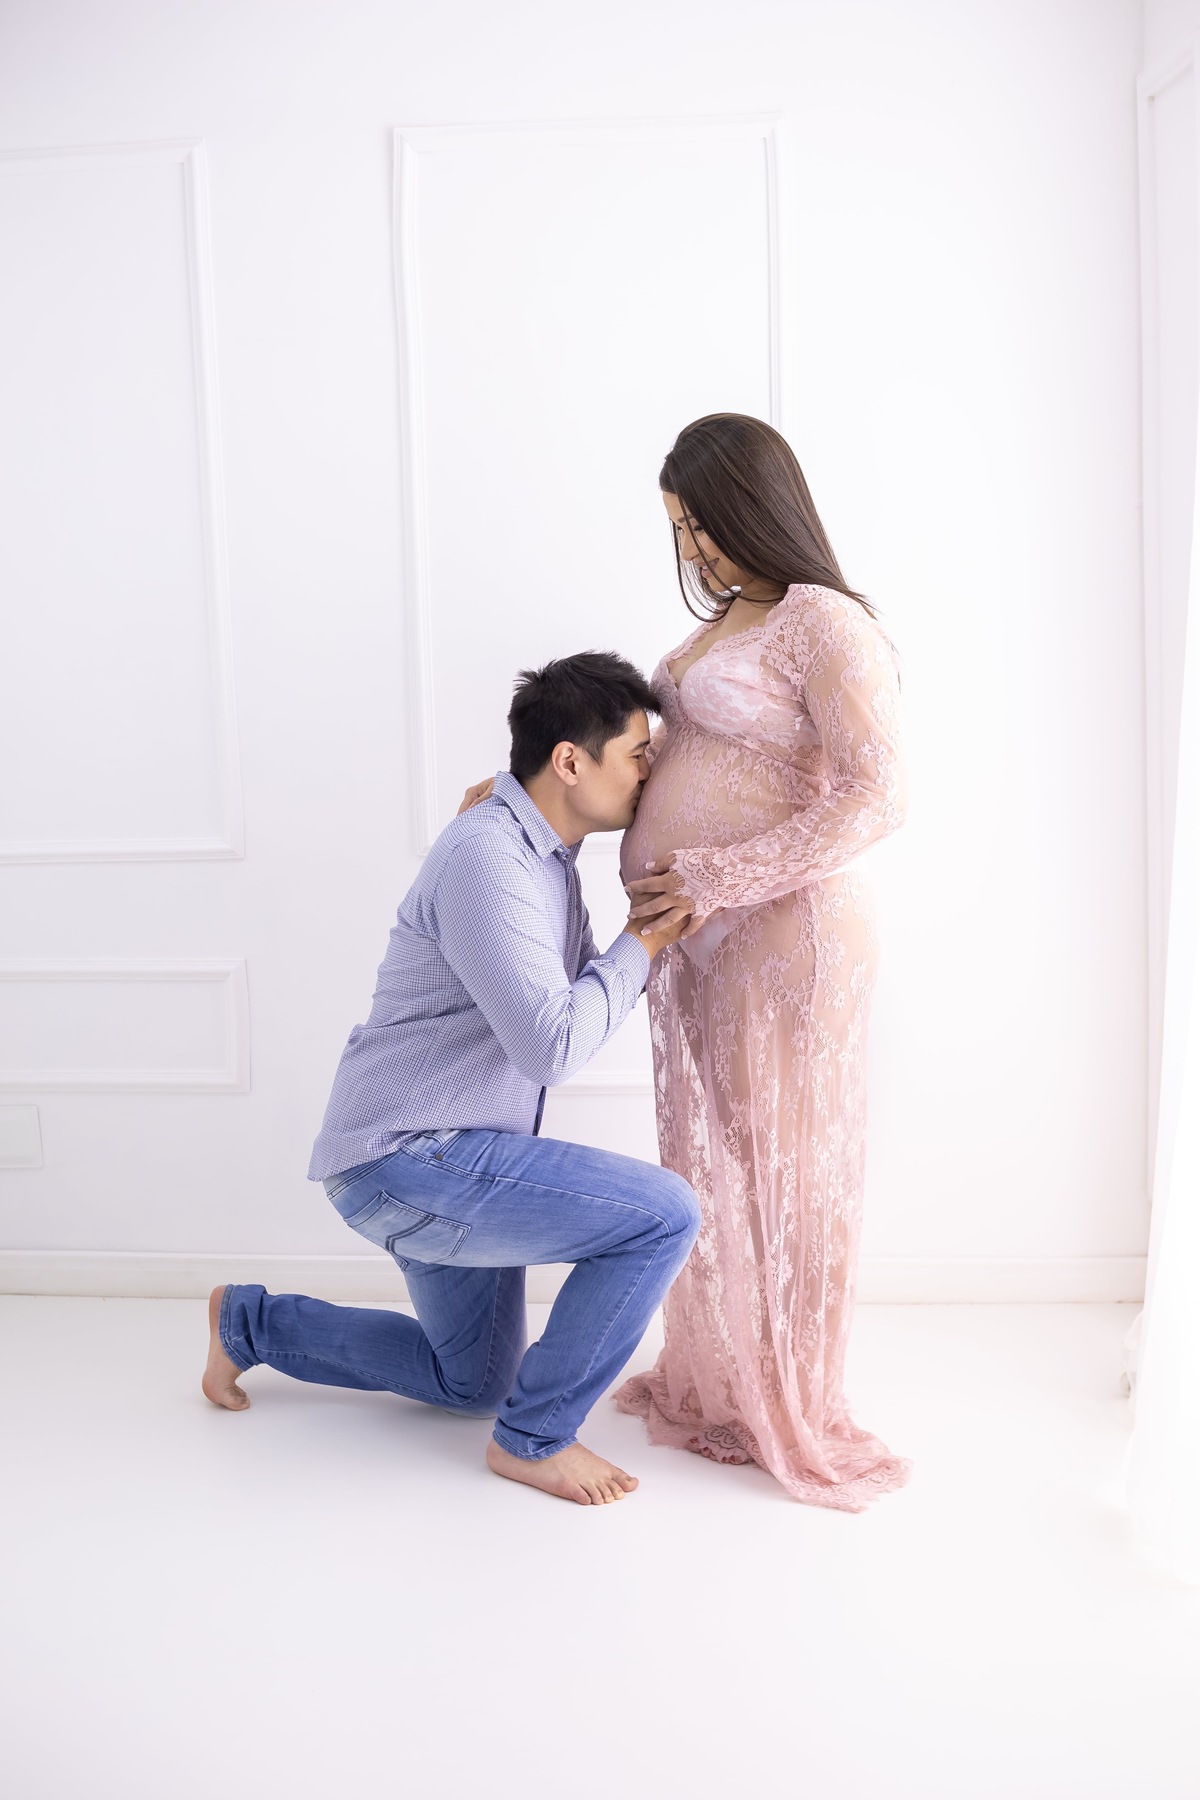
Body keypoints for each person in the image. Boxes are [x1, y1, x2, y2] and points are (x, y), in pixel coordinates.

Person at [201, 652, 700, 1507]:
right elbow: (554, 1046)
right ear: (570, 763)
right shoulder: (490, 859)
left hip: (453, 1154)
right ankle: (535, 1439)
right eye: (637, 754)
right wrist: (644, 943)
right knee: (664, 1215)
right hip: (408, 1160)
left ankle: (248, 1323)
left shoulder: (543, 858)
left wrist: (632, 946)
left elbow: (576, 995)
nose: (650, 774)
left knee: (467, 1379)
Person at [615, 413, 911, 1510]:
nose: (692, 549)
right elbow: (678, 764)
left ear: (753, 506)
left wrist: (716, 882)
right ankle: (724, 1380)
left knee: (788, 1167)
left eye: (702, 524)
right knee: (715, 1162)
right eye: (680, 530)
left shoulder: (822, 623)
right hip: (700, 945)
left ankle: (792, 1396)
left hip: (789, 936)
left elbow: (879, 792)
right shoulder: (725, 622)